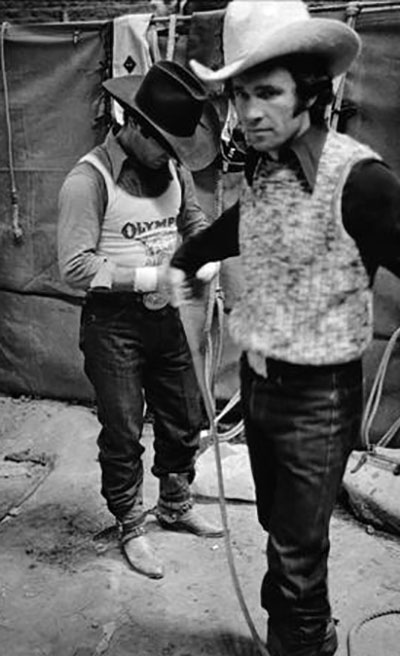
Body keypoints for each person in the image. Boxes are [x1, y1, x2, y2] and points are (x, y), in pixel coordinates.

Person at [168, 1, 400, 654]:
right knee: (281, 531)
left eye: (265, 93)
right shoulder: (270, 167)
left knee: (298, 562)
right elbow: (245, 222)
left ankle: (302, 642)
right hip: (262, 382)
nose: (247, 113)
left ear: (312, 92)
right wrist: (189, 256)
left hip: (318, 400)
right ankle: (300, 633)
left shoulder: (363, 183)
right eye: (241, 94)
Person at [57, 60, 224, 581]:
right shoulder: (88, 181)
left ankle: (174, 503)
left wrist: (205, 252)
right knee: (124, 427)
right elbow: (75, 267)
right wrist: (154, 277)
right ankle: (131, 522)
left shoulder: (171, 168)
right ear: (133, 125)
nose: (174, 156)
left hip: (169, 318)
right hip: (115, 326)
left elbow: (191, 220)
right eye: (165, 144)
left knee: (183, 414)